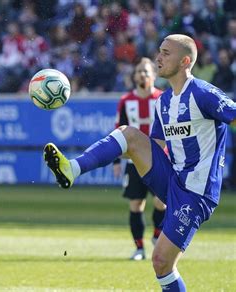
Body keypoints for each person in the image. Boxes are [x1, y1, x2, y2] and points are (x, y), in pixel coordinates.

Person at [44, 34, 236, 291]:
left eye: (166, 53)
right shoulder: (164, 102)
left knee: (161, 262)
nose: (158, 57)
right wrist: (115, 150)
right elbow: (155, 147)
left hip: (196, 193)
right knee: (129, 134)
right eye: (159, 51)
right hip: (172, 179)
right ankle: (72, 168)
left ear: (185, 61)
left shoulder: (203, 93)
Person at [113, 57, 166, 261]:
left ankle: (156, 235)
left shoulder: (162, 98)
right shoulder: (126, 101)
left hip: (160, 159)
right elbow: (120, 130)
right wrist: (117, 160)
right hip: (134, 161)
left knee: (162, 202)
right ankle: (139, 249)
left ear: (153, 75)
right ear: (134, 76)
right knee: (136, 205)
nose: (142, 74)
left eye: (146, 71)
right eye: (139, 71)